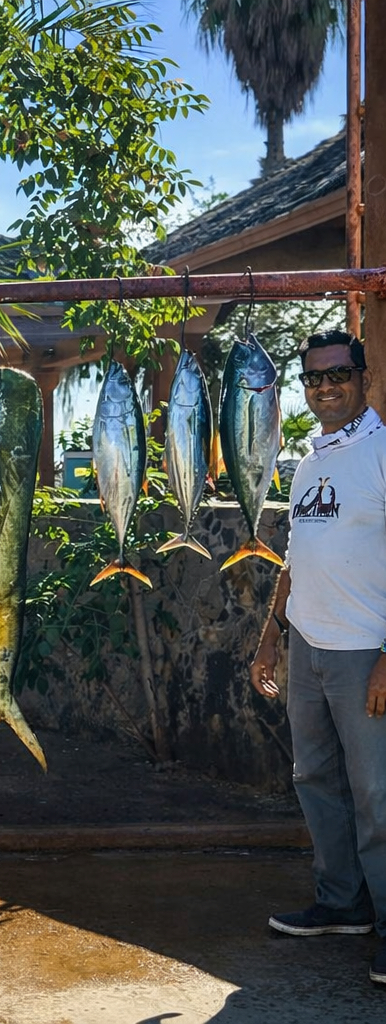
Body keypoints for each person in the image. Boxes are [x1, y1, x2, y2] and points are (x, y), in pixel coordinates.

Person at [250, 329, 386, 986]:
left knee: (378, 795)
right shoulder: (309, 461)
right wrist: (270, 637)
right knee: (315, 781)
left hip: (367, 652)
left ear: (361, 376)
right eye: (313, 378)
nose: (325, 385)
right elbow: (296, 558)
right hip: (307, 648)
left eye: (337, 373)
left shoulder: (383, 451)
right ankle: (342, 904)